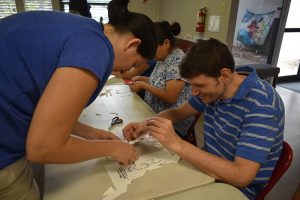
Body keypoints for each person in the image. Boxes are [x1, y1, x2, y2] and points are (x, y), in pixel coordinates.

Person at [0, 0, 158, 199]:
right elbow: (42, 148)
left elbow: (47, 107)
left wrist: (90, 133)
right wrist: (111, 148)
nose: (127, 71)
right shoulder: (95, 49)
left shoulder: (84, 29)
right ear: (133, 44)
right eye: (134, 64)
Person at [123, 38, 285, 199]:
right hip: (207, 170)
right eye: (192, 85)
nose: (194, 92)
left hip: (234, 190)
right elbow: (177, 113)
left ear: (225, 76)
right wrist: (147, 124)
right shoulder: (215, 88)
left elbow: (241, 176)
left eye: (199, 85)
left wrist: (177, 144)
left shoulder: (263, 105)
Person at [129, 21, 193, 138]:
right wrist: (143, 79)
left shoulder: (177, 61)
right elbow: (160, 81)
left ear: (166, 43)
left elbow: (170, 96)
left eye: (153, 49)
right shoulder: (163, 57)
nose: (151, 54)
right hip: (153, 113)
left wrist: (143, 86)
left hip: (172, 123)